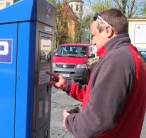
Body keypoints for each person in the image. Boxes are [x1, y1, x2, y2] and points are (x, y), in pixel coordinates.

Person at [47, 8, 146, 138]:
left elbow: (97, 120)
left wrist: (69, 121)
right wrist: (68, 86)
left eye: (94, 35)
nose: (93, 42)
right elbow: (102, 97)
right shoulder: (131, 55)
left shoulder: (117, 60)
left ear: (108, 30)